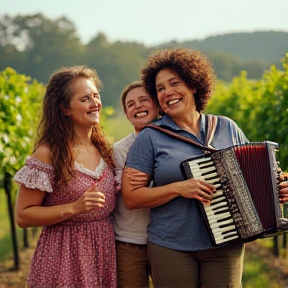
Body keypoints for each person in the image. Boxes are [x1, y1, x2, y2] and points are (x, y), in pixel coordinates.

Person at [121, 48, 249, 288]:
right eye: (160, 88)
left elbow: (255, 174)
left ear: (193, 84)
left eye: (174, 83)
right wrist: (178, 188)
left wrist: (278, 189)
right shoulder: (151, 137)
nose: (168, 92)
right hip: (171, 245)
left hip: (227, 243)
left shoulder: (227, 127)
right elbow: (131, 197)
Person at [14, 66, 118, 288]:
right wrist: (74, 208)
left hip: (104, 250)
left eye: (96, 96)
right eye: (84, 99)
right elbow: (23, 216)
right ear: (64, 109)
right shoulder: (47, 153)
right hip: (63, 255)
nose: (94, 103)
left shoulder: (105, 149)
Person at [113, 81, 160, 288]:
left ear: (157, 105)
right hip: (129, 242)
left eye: (143, 100)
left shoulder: (175, 142)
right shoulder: (120, 150)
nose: (138, 106)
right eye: (130, 104)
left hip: (165, 241)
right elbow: (131, 195)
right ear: (126, 113)